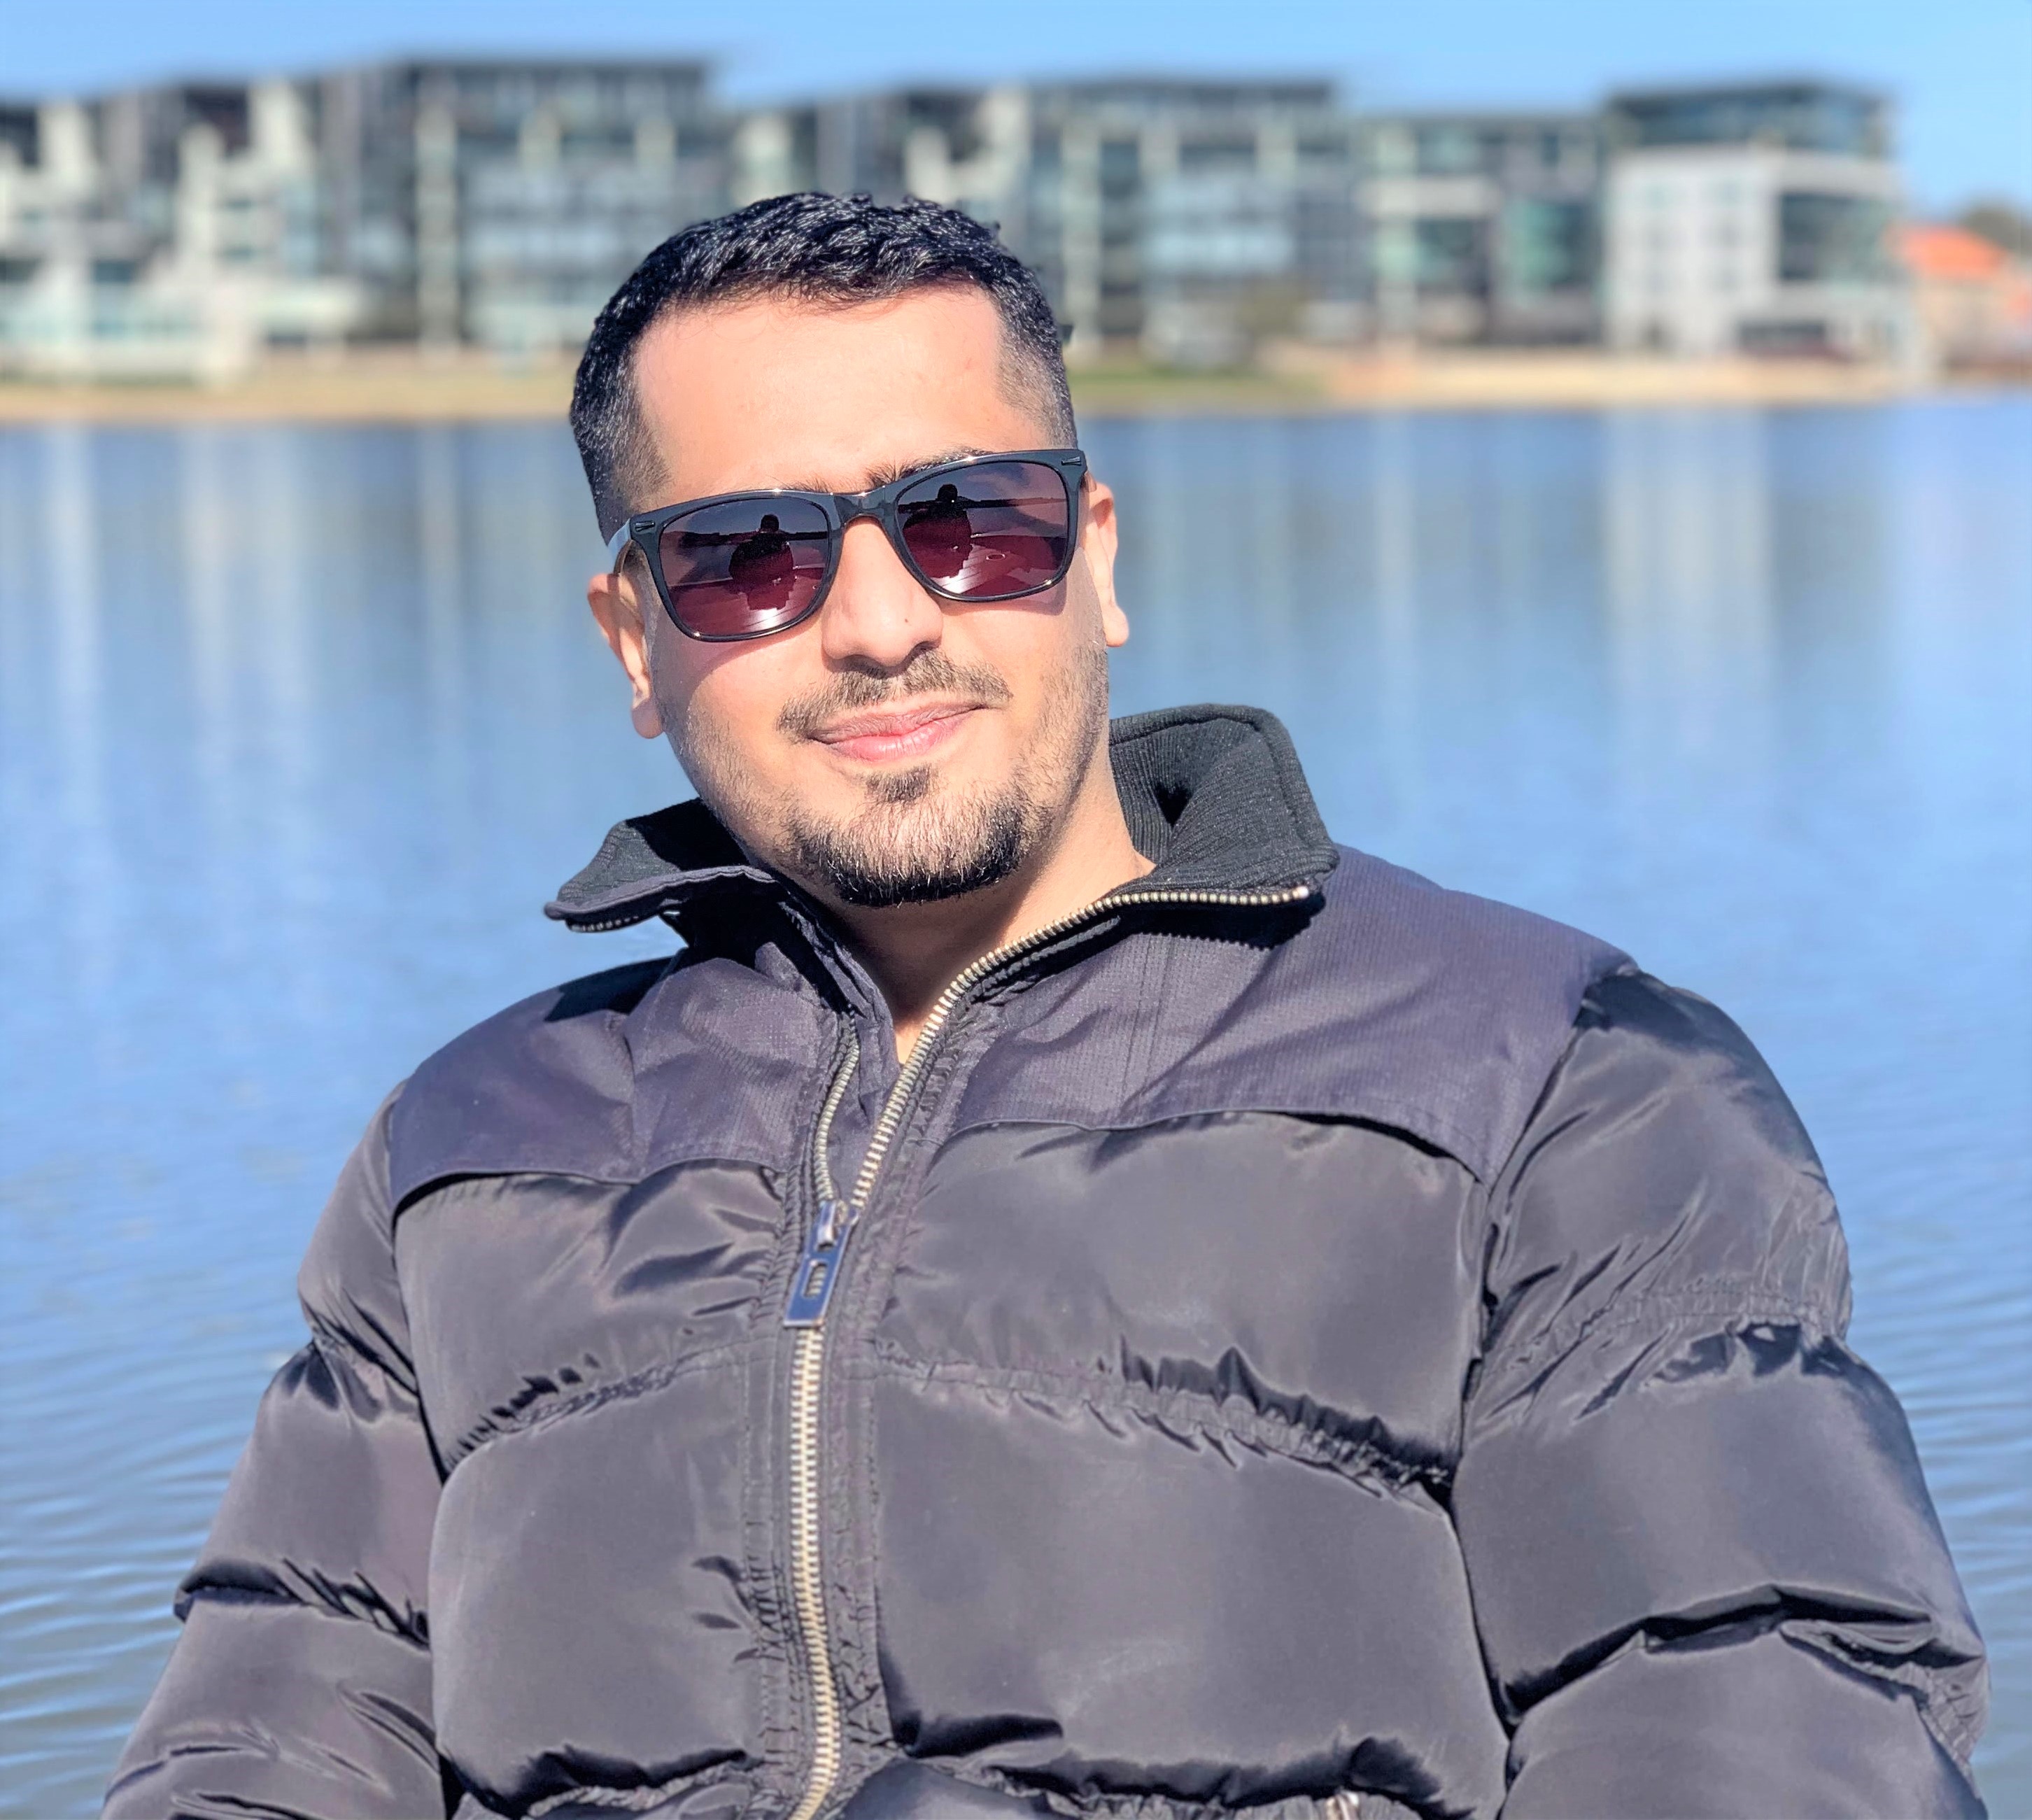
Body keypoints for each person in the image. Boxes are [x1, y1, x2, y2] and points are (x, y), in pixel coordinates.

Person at [106, 194, 1988, 1820]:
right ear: (635, 639)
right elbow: (267, 1732)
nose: (880, 622)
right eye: (749, 558)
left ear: (1094, 557)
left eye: (967, 521)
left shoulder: (1553, 1079)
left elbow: (1765, 1722)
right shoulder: (465, 1152)